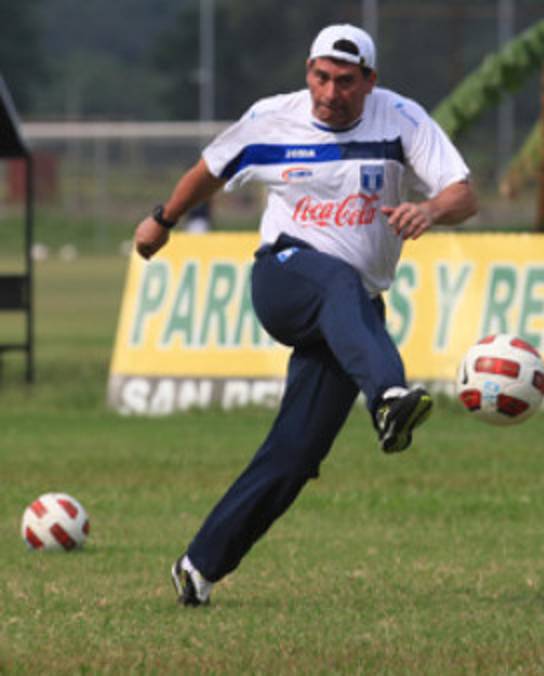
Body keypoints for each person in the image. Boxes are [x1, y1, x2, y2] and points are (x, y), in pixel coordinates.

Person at [132, 24, 478, 606]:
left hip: (349, 317)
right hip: (284, 277)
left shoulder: (401, 119)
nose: (329, 91)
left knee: (295, 455)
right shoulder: (272, 118)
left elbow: (463, 193)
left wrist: (428, 209)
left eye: (345, 81)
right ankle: (390, 396)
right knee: (336, 277)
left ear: (369, 82)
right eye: (321, 76)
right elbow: (211, 169)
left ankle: (198, 566)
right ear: (308, 71)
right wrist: (161, 219)